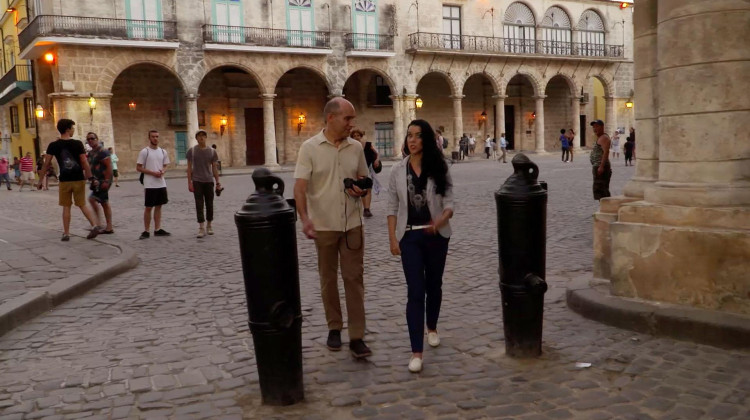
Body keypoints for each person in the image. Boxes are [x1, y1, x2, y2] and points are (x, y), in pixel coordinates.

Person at [293, 97, 372, 359]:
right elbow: (300, 187)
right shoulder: (309, 148)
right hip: (324, 225)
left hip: (352, 223)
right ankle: (334, 328)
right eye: (348, 118)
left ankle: (357, 335)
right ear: (331, 118)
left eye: (352, 118)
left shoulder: (356, 148)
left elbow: (363, 176)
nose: (352, 123)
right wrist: (305, 218)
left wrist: (360, 187)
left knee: (354, 278)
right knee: (328, 279)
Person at [386, 119, 454, 373]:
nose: (411, 140)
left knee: (433, 284)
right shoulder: (397, 171)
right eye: (408, 136)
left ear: (426, 139)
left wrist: (440, 221)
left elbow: (450, 202)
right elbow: (392, 206)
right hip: (410, 237)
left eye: (417, 135)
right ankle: (416, 351)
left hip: (437, 236)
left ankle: (432, 326)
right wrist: (393, 238)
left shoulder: (439, 167)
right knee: (415, 291)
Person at [37, 119, 102, 241]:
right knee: (82, 204)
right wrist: (91, 177)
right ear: (67, 129)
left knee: (66, 207)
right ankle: (94, 225)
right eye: (72, 128)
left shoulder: (53, 145)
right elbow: (84, 162)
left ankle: (66, 233)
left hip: (64, 180)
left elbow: (46, 164)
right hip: (78, 179)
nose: (73, 130)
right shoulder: (77, 144)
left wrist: (40, 181)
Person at [136, 130, 171, 239]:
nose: (155, 138)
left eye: (157, 136)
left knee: (159, 206)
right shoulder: (144, 152)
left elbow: (166, 165)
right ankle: (146, 230)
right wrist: (152, 173)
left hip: (161, 183)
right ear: (149, 138)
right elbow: (138, 167)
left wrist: (163, 171)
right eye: (153, 136)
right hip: (150, 184)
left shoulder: (162, 152)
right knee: (148, 207)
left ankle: (157, 228)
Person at [186, 130, 221, 238]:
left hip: (208, 180)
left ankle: (209, 225)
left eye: (203, 136)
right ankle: (201, 227)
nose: (201, 138)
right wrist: (189, 182)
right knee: (199, 204)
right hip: (197, 181)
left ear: (206, 138)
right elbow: (189, 168)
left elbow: (214, 167)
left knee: (209, 204)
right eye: (199, 136)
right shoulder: (192, 151)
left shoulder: (212, 152)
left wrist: (218, 182)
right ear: (196, 138)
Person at [86, 134, 114, 234]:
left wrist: (107, 181)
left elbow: (109, 166)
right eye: (88, 139)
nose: (90, 140)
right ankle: (106, 226)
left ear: (97, 139)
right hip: (96, 181)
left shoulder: (103, 151)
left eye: (92, 138)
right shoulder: (91, 153)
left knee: (94, 199)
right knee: (103, 202)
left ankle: (100, 224)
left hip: (103, 181)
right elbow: (89, 166)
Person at [351, 128, 382, 218]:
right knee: (357, 190)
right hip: (354, 172)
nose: (356, 137)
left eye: (358, 135)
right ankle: (356, 210)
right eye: (354, 136)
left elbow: (376, 154)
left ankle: (367, 209)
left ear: (361, 136)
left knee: (367, 188)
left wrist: (377, 160)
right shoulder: (350, 146)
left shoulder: (368, 145)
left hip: (366, 170)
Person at [589, 120, 612, 200]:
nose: (595, 129)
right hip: (597, 166)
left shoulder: (604, 138)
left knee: (602, 190)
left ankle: (606, 208)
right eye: (593, 127)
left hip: (601, 167)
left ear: (602, 127)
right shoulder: (600, 137)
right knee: (599, 189)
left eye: (597, 126)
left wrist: (601, 166)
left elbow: (606, 152)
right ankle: (604, 207)